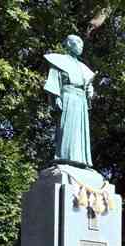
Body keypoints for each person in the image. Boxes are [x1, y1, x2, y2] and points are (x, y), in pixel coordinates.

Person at [44, 35, 95, 167]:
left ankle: (81, 161)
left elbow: (87, 85)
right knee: (66, 128)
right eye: (78, 42)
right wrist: (56, 98)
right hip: (67, 97)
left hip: (81, 100)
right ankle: (64, 157)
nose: (81, 45)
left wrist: (90, 90)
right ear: (69, 44)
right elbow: (54, 80)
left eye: (82, 43)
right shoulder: (58, 60)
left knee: (81, 131)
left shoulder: (84, 67)